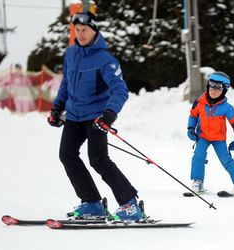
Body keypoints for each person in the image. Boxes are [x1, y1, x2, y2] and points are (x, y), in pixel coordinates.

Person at [47, 11, 142, 221]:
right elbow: (66, 84)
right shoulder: (71, 53)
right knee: (67, 155)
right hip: (73, 115)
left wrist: (109, 114)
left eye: (85, 30)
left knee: (98, 159)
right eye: (77, 30)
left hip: (96, 117)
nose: (80, 34)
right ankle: (92, 203)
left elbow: (120, 90)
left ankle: (130, 204)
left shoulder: (105, 60)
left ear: (94, 31)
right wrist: (57, 108)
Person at [187, 71, 234, 194]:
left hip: (218, 138)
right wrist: (190, 129)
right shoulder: (199, 102)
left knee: (226, 159)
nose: (214, 90)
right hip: (202, 136)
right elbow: (193, 116)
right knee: (198, 156)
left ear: (224, 90)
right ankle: (198, 181)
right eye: (212, 85)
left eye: (218, 87)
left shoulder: (226, 107)